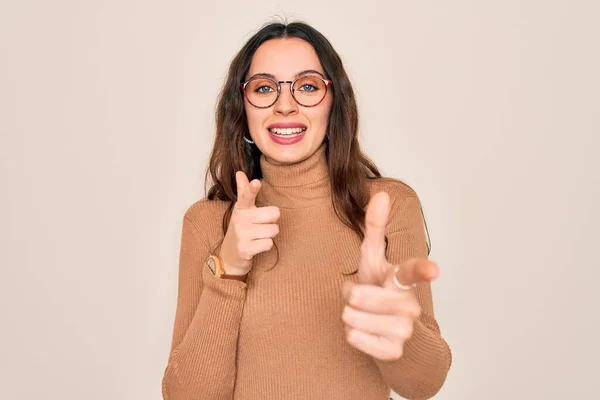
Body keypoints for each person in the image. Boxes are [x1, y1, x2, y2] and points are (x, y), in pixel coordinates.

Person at [161, 21, 452, 400]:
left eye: (308, 86)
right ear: (242, 106)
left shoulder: (387, 207)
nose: (285, 104)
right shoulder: (207, 223)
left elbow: (425, 384)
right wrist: (227, 270)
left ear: (335, 102)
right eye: (264, 88)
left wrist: (391, 318)